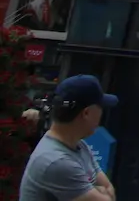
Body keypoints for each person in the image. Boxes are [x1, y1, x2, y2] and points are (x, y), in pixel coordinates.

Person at [20, 73, 119, 201]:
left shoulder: (80, 145)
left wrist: (99, 190)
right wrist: (97, 189)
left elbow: (108, 188)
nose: (101, 115)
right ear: (87, 113)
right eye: (101, 108)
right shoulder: (56, 161)